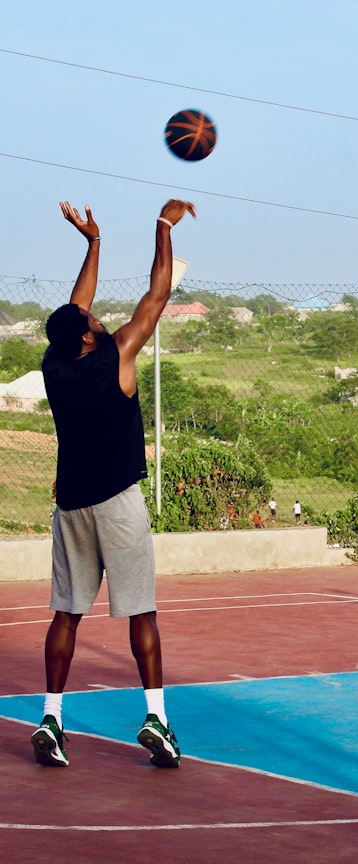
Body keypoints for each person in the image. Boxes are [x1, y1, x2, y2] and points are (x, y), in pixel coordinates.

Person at [32, 199, 196, 768]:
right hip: (118, 501)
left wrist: (93, 242)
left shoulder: (56, 363)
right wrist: (163, 225)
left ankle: (51, 719)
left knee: (66, 614)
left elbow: (75, 307)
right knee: (142, 612)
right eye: (92, 321)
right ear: (86, 339)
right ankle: (157, 718)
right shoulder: (116, 353)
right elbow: (157, 294)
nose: (98, 317)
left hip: (71, 505)